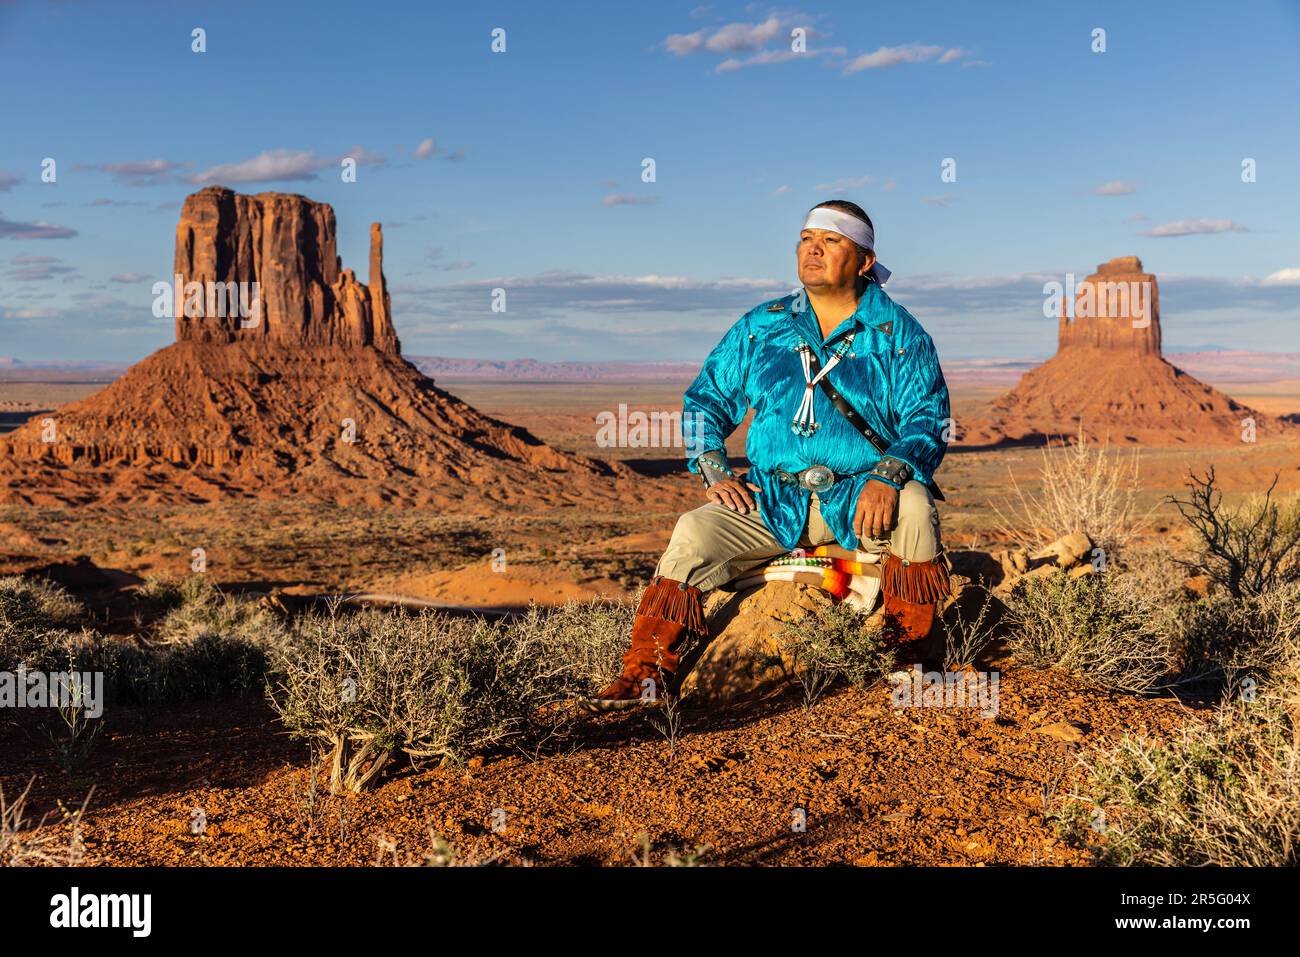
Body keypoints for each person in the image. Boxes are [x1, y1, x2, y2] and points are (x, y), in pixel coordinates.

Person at [586, 200, 952, 710]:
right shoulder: (764, 326)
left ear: (865, 261)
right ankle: (646, 674)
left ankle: (914, 662)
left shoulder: (899, 334)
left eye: (831, 240)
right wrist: (714, 468)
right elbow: (705, 400)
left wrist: (888, 477)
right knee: (693, 531)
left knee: (914, 504)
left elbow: (928, 420)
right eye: (806, 238)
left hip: (861, 498)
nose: (813, 249)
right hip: (776, 500)